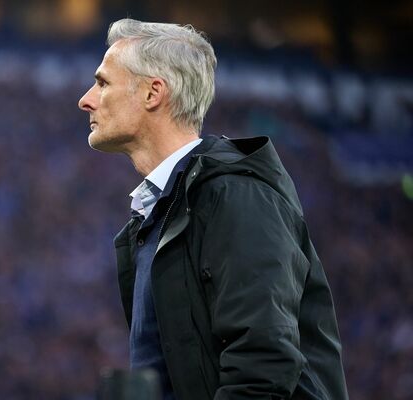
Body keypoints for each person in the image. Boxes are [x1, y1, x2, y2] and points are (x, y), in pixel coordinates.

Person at [78, 19, 348, 399]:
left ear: (153, 93)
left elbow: (263, 369)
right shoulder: (161, 212)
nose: (86, 99)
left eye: (103, 82)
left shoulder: (236, 194)